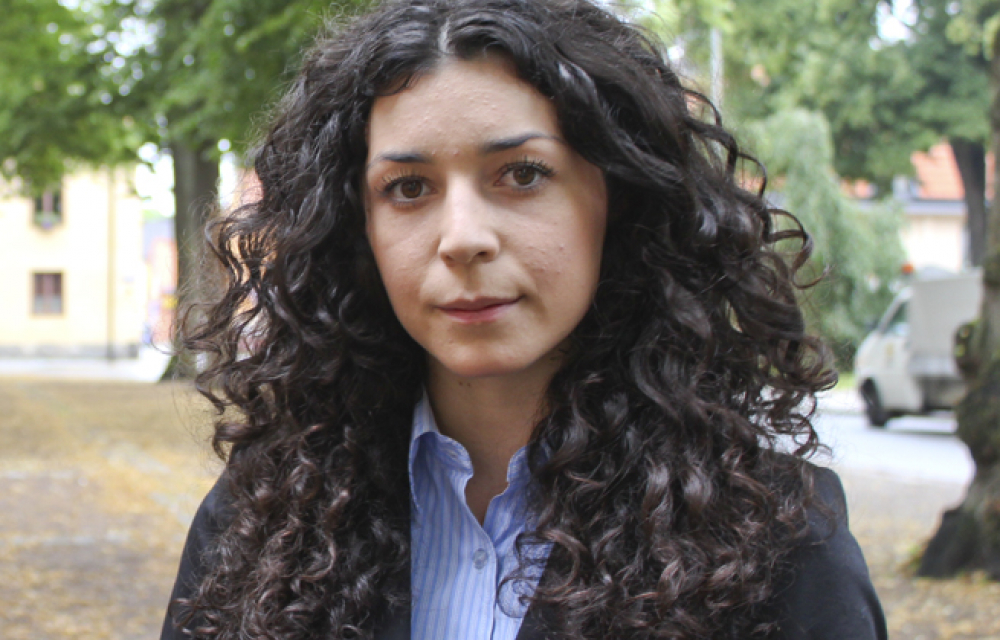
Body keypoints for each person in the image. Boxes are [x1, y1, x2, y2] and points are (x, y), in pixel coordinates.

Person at [161, 0, 888, 638]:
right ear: (358, 228)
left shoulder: (777, 543)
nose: (462, 237)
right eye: (408, 187)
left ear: (618, 198)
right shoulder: (259, 524)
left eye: (522, 174)